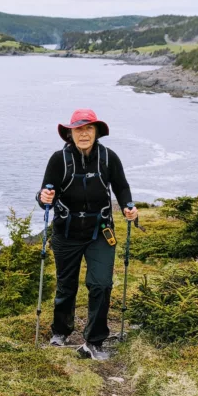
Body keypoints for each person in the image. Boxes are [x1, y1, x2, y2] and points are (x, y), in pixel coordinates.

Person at [36, 108, 138, 361]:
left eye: (89, 128)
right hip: (66, 233)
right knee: (66, 285)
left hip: (100, 232)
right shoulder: (58, 160)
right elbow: (46, 195)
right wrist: (42, 197)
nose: (84, 133)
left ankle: (95, 341)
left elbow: (121, 187)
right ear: (70, 133)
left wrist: (128, 206)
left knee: (101, 284)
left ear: (96, 132)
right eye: (79, 129)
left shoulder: (108, 157)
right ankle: (60, 331)